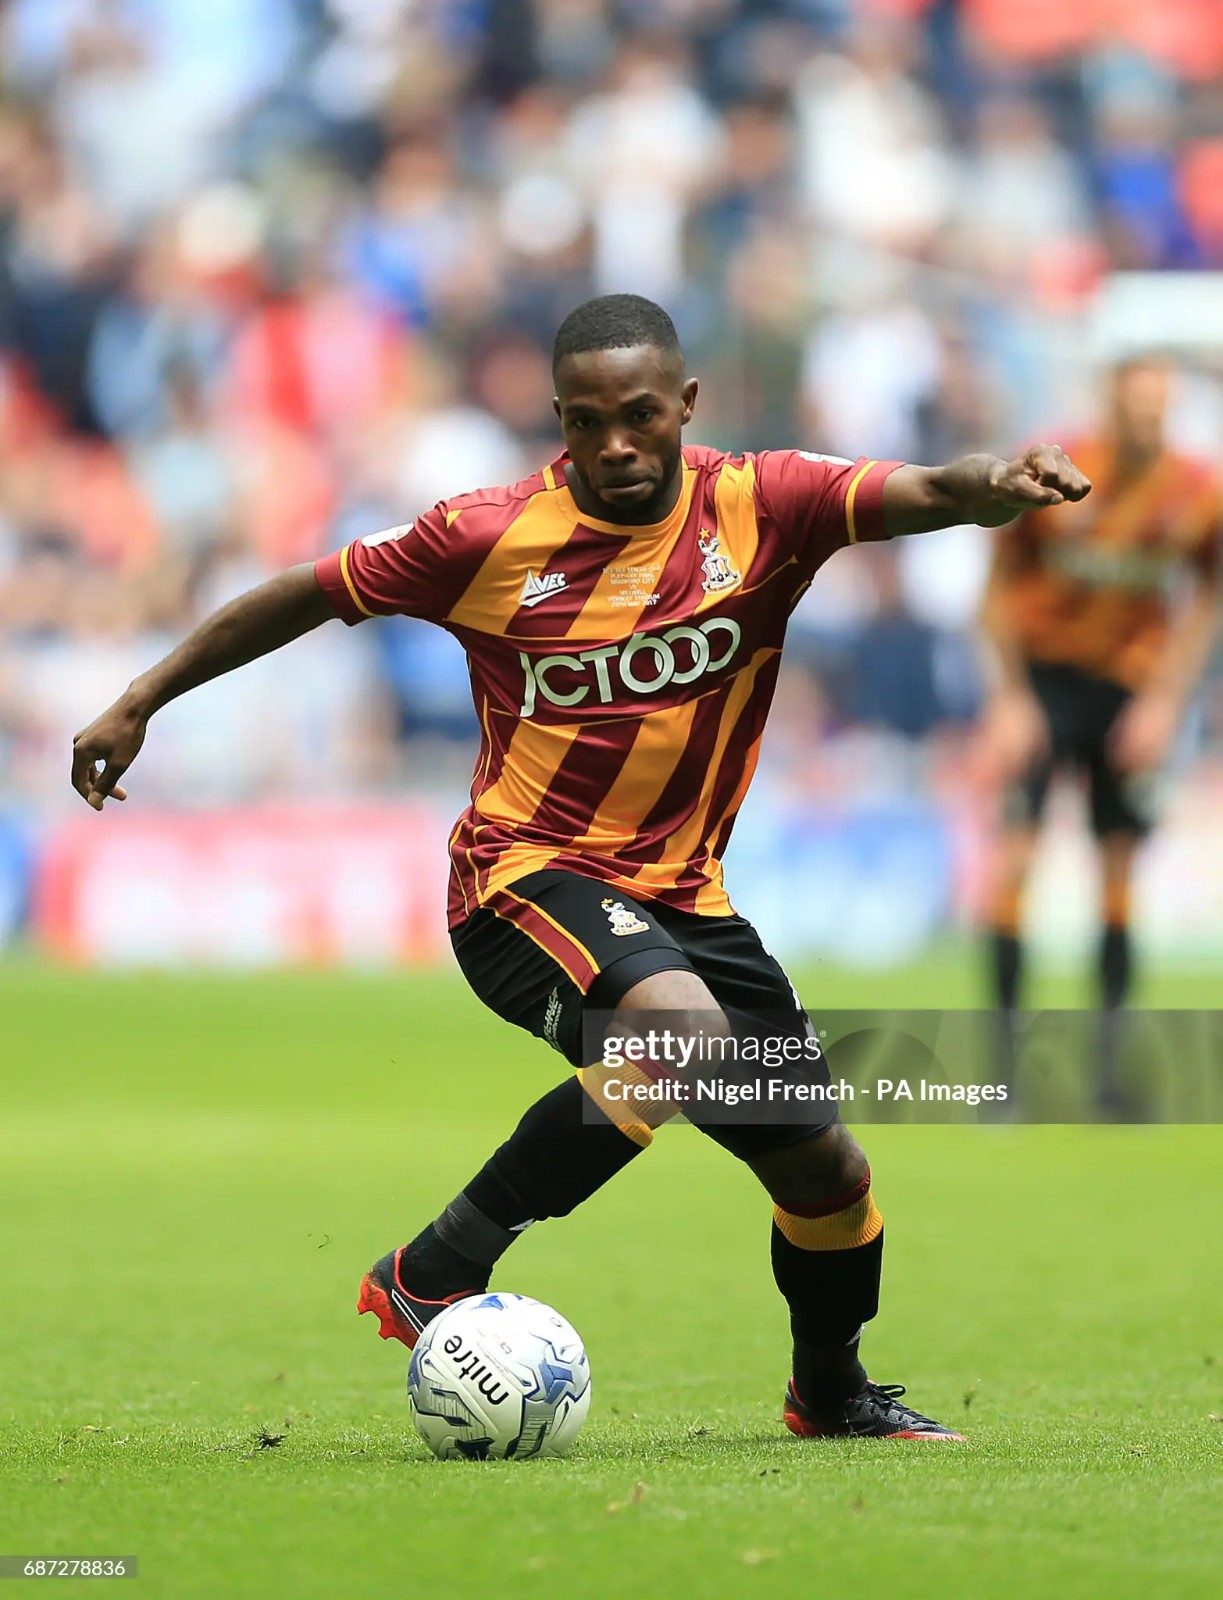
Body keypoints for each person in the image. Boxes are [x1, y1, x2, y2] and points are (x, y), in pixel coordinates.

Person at [72, 294, 1090, 1440]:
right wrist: (138, 697)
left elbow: (919, 491)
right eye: (587, 420)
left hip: (684, 901)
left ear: (683, 407)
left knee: (828, 1176)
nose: (613, 443)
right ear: (557, 416)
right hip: (520, 881)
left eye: (639, 416)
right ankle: (436, 1264)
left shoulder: (763, 504)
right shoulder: (483, 536)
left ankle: (830, 1391)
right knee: (680, 1034)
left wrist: (993, 484)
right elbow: (305, 595)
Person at [980, 355, 1220, 1102]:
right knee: (1016, 856)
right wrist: (1009, 698)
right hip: (1044, 683)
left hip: (1127, 692)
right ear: (1107, 406)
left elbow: (1207, 595)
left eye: (1160, 410)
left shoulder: (1196, 491)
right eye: (1136, 410)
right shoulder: (1054, 466)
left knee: (1117, 867)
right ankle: (1005, 1065)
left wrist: (1164, 703)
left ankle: (1109, 1068)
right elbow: (995, 586)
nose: (1148, 423)